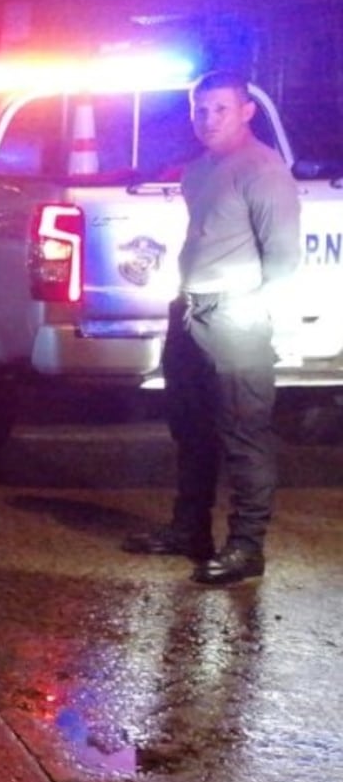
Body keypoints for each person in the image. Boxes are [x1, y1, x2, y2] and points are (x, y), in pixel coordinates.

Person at [122, 69, 302, 585]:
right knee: (190, 429)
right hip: (189, 310)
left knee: (244, 434)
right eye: (201, 109)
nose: (208, 119)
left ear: (246, 111)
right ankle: (189, 530)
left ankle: (246, 547)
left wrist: (253, 315)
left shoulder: (263, 170)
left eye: (220, 108)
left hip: (234, 316)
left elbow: (283, 260)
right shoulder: (199, 170)